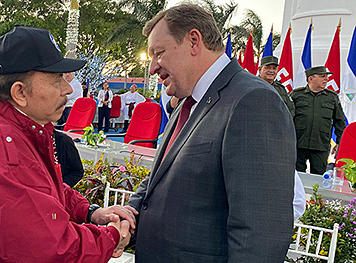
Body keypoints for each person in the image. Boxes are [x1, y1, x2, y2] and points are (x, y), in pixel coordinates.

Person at [0, 25, 134, 262]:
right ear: (20, 92)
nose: (67, 89)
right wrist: (112, 236)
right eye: (56, 80)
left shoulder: (12, 127)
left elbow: (42, 188)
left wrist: (90, 212)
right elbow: (51, 250)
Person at [124, 4, 296, 262]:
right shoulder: (187, 101)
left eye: (158, 53)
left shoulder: (254, 101)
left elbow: (259, 233)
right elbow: (159, 179)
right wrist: (128, 214)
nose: (152, 68)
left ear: (194, 41)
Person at [290, 66, 346, 175]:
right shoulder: (297, 95)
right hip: (298, 143)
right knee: (296, 176)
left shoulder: (331, 97)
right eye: (322, 76)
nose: (326, 79)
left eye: (326, 76)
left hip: (320, 145)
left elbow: (339, 121)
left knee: (319, 177)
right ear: (311, 79)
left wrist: (340, 142)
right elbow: (288, 118)